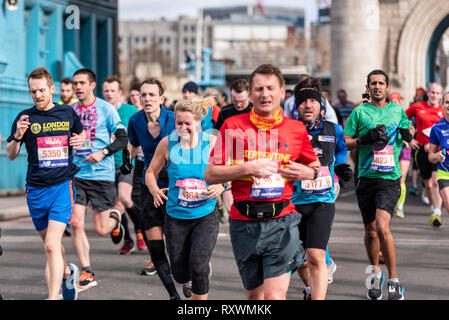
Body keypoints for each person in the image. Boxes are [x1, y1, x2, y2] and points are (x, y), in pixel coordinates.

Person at [205, 64, 320, 300]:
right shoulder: (234, 126)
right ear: (250, 94)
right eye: (258, 89)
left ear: (281, 93)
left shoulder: (296, 129)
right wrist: (248, 168)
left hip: (282, 221)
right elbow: (210, 173)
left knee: (274, 296)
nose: (264, 94)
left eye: (270, 88)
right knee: (254, 297)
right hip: (243, 223)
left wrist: (308, 174)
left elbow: (315, 167)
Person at [6, 67, 86, 300]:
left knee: (51, 245)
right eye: (33, 92)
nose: (38, 95)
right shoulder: (24, 117)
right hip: (35, 190)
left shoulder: (67, 113)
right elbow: (11, 153)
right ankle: (68, 272)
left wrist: (80, 138)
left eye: (42, 90)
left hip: (62, 186)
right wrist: (19, 135)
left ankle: (53, 297)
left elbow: (81, 135)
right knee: (53, 245)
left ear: (52, 89)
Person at [344, 69, 414, 300]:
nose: (377, 87)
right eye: (373, 83)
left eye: (381, 83)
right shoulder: (359, 112)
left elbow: (408, 131)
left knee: (383, 227)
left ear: (387, 87)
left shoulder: (396, 110)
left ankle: (394, 280)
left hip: (389, 178)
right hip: (365, 177)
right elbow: (345, 142)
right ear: (367, 87)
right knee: (371, 231)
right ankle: (375, 274)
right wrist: (365, 139)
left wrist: (408, 132)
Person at [146, 98, 223, 300]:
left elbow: (230, 171)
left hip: (205, 213)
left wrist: (221, 185)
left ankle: (201, 270)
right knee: (180, 273)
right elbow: (150, 173)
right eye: (179, 123)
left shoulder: (212, 142)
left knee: (198, 266)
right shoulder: (167, 143)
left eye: (187, 124)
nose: (182, 128)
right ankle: (194, 272)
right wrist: (154, 190)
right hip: (176, 215)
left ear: (198, 122)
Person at [291, 77, 351, 300]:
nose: (308, 105)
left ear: (321, 105)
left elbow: (341, 150)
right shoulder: (289, 130)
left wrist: (341, 168)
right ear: (297, 106)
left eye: (312, 101)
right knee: (299, 259)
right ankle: (309, 288)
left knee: (315, 255)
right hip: (294, 202)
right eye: (303, 101)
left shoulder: (333, 129)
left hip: (322, 201)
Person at [70, 68, 128, 291]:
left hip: (101, 175)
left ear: (92, 85)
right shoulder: (70, 110)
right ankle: (87, 270)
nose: (77, 87)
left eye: (82, 83)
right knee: (76, 223)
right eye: (75, 83)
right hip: (76, 174)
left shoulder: (106, 109)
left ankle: (115, 217)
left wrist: (103, 152)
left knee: (102, 229)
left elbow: (123, 138)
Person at [127, 78, 180, 299]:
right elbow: (132, 145)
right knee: (156, 247)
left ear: (161, 99)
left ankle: (187, 277)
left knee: (177, 249)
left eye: (151, 95)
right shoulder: (135, 121)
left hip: (177, 187)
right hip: (149, 186)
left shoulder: (174, 119)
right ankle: (173, 295)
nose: (147, 99)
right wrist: (125, 162)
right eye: (143, 94)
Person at [102, 75, 144, 254]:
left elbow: (140, 135)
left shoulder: (131, 112)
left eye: (113, 91)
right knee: (115, 207)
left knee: (125, 198)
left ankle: (141, 230)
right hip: (105, 166)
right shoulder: (99, 110)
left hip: (127, 163)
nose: (109, 94)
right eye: (106, 91)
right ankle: (127, 240)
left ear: (120, 93)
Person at [406, 83, 444, 226]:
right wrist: (410, 138)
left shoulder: (443, 110)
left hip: (438, 151)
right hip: (421, 149)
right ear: (428, 92)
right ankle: (433, 207)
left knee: (435, 181)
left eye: (437, 93)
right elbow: (402, 119)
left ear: (440, 95)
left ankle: (437, 213)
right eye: (432, 92)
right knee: (428, 184)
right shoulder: (418, 107)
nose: (434, 95)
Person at [387, 92, 412, 219]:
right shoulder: (385, 115)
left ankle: (400, 207)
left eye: (396, 101)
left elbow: (412, 129)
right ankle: (390, 204)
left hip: (405, 148)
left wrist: (413, 139)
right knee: (393, 177)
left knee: (402, 179)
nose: (394, 104)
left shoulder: (404, 115)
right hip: (392, 149)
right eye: (392, 101)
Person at [429, 91, 449, 225]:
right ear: (442, 104)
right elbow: (430, 156)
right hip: (444, 172)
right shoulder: (437, 128)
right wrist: (436, 155)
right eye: (447, 102)